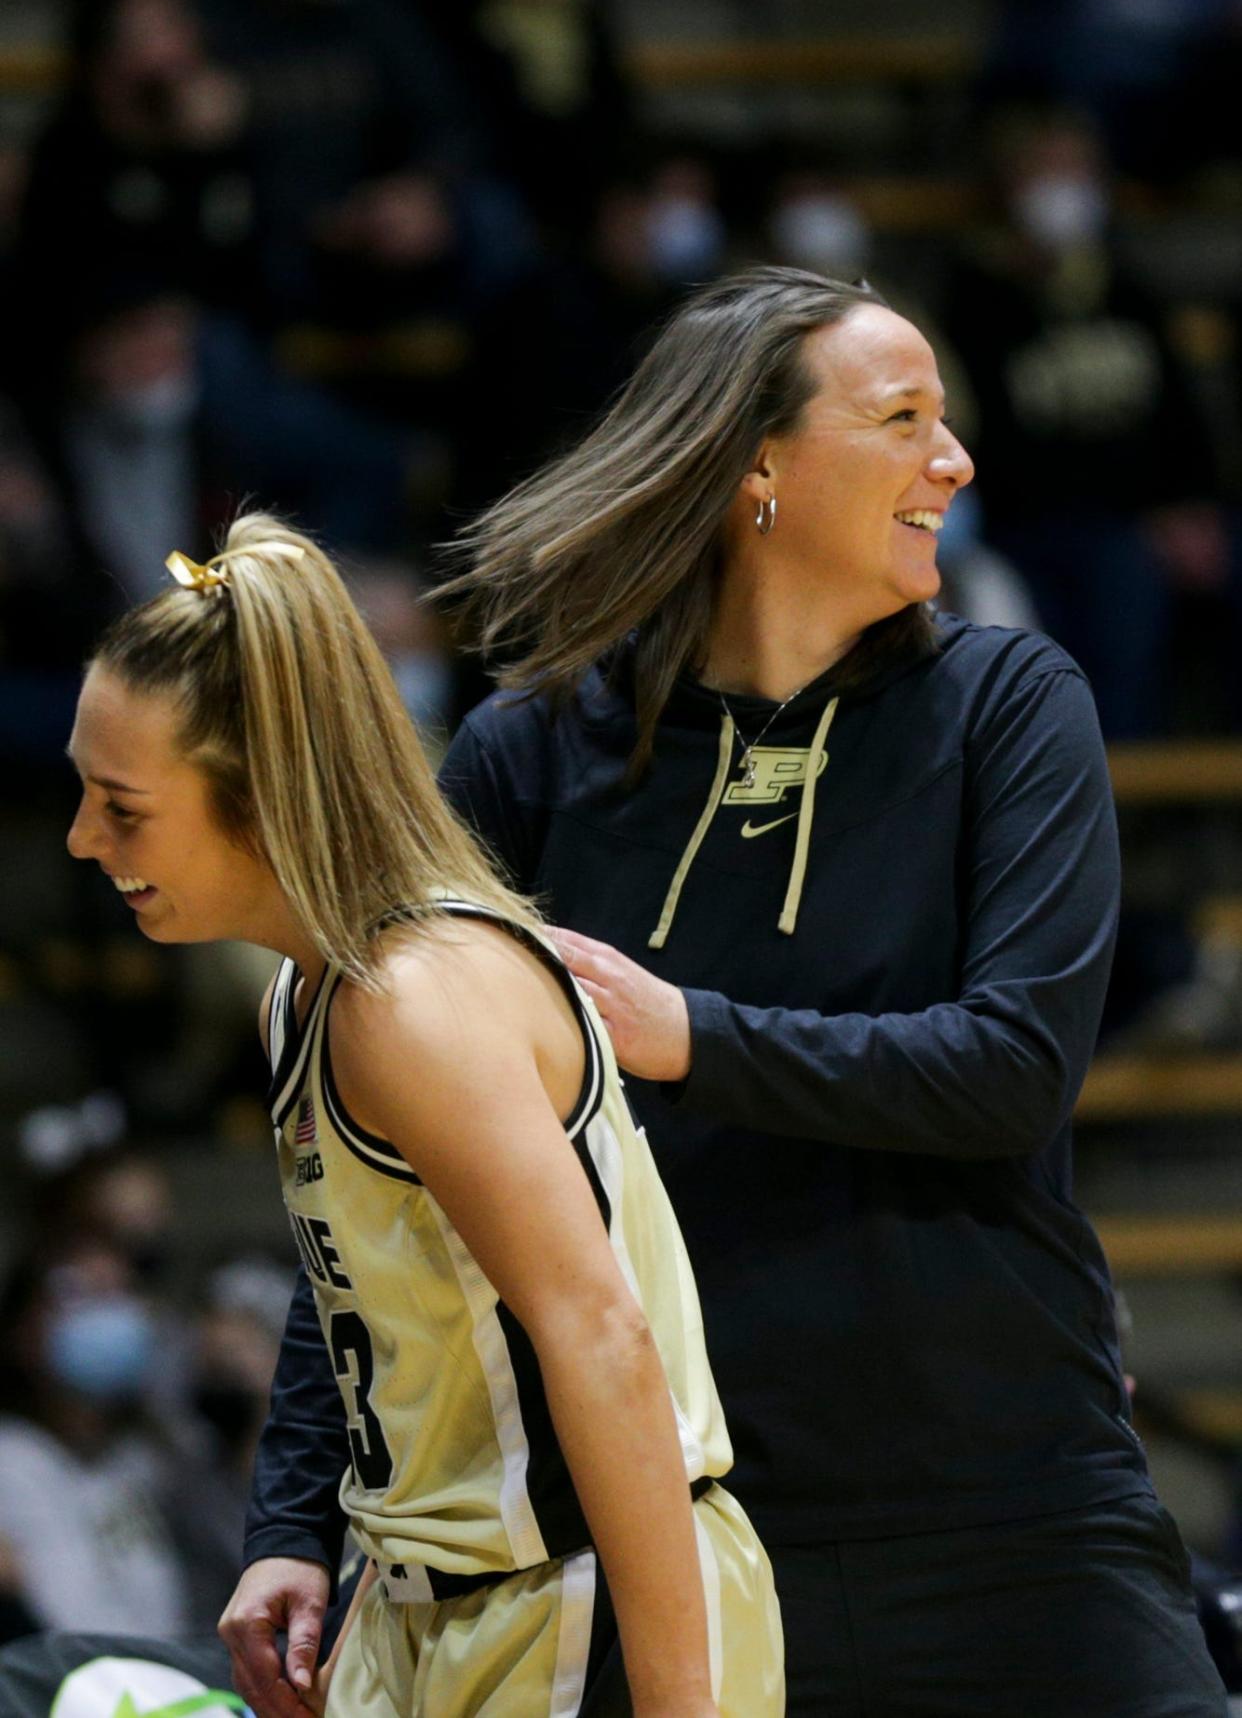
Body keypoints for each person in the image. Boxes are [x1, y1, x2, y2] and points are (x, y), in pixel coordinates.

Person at [230, 267, 1230, 1715]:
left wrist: (686, 1035)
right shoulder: (526, 756)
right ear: (756, 463)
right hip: (675, 1526)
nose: (952, 459)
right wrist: (291, 1515)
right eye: (901, 419)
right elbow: (380, 1181)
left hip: (1010, 1496)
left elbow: (1011, 1066)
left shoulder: (1009, 705)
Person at [63, 514, 783, 1718]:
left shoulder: (417, 1002)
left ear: (263, 798)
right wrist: (301, 1529)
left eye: (123, 808)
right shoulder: (308, 993)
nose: (85, 839)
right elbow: (377, 1322)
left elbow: (603, 1339)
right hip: (422, 1595)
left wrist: (678, 1703)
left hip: (577, 1590)